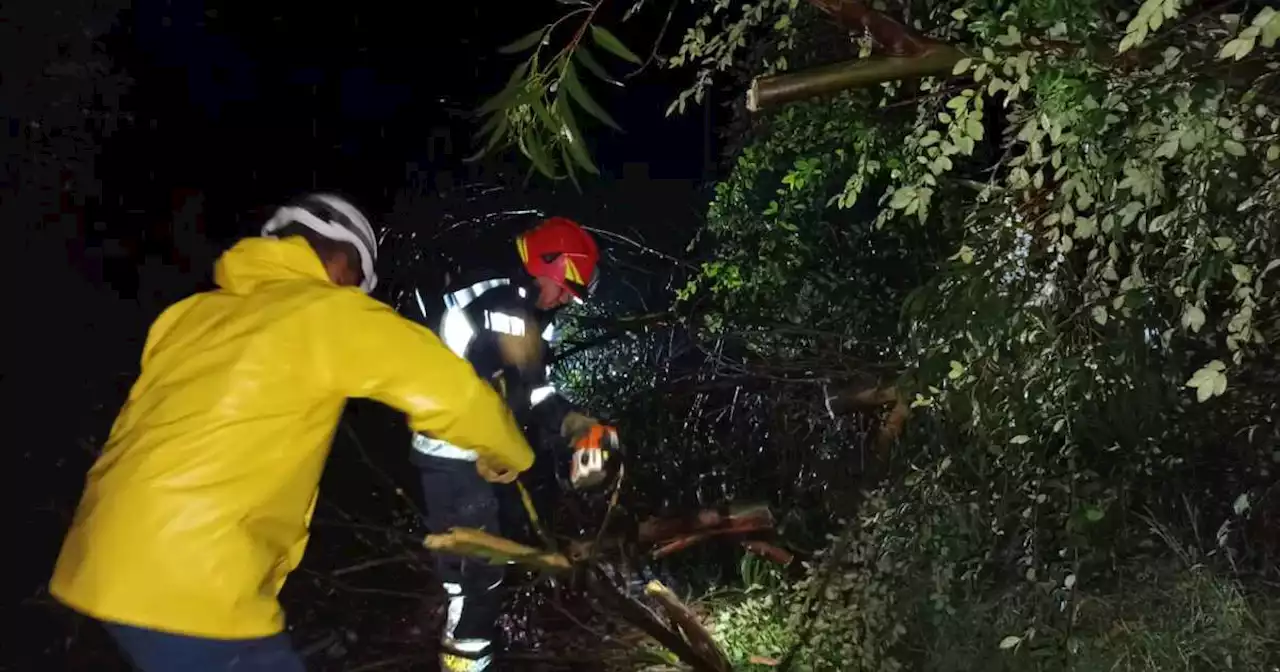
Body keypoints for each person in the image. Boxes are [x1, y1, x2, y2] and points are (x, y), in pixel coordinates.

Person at [48, 193, 536, 672]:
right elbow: (451, 392)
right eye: (357, 283)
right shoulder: (327, 312)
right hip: (190, 579)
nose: (354, 294)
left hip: (100, 554)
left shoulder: (189, 315)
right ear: (343, 261)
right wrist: (514, 452)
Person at [399, 216, 620, 672]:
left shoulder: (537, 320)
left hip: (499, 459)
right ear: (546, 263)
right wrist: (486, 442)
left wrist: (577, 426)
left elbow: (536, 392)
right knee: (478, 573)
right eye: (563, 288)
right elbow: (446, 387)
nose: (564, 300)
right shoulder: (478, 304)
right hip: (453, 458)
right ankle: (464, 658)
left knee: (496, 558)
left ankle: (460, 632)